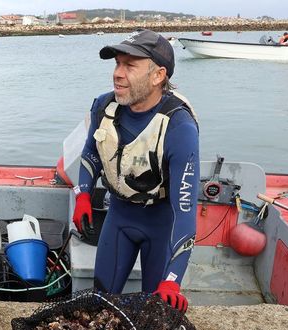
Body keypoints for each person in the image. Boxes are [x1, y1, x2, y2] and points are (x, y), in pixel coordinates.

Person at [72, 30, 199, 313]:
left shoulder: (179, 128)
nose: (117, 73)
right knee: (100, 303)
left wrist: (172, 281)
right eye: (117, 63)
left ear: (158, 76)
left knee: (155, 311)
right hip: (118, 217)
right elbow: (91, 152)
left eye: (129, 66)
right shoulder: (103, 107)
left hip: (161, 225)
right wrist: (83, 194)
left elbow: (185, 211)